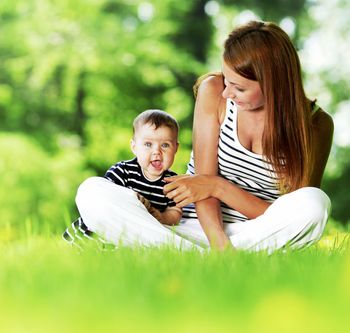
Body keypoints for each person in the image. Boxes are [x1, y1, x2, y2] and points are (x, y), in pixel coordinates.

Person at [72, 20, 334, 252]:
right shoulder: (214, 91)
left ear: (274, 85)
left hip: (257, 234)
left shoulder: (316, 126)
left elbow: (286, 212)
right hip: (191, 226)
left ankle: (173, 253)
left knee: (314, 204)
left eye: (239, 87)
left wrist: (218, 186)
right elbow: (201, 187)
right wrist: (219, 244)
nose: (226, 93)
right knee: (92, 192)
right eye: (227, 79)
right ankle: (201, 255)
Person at [63, 109, 185, 248]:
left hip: (143, 234)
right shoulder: (123, 170)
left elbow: (175, 213)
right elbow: (105, 200)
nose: (157, 151)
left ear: (176, 148)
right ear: (134, 147)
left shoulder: (173, 182)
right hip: (112, 225)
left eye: (165, 145)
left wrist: (162, 217)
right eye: (148, 144)